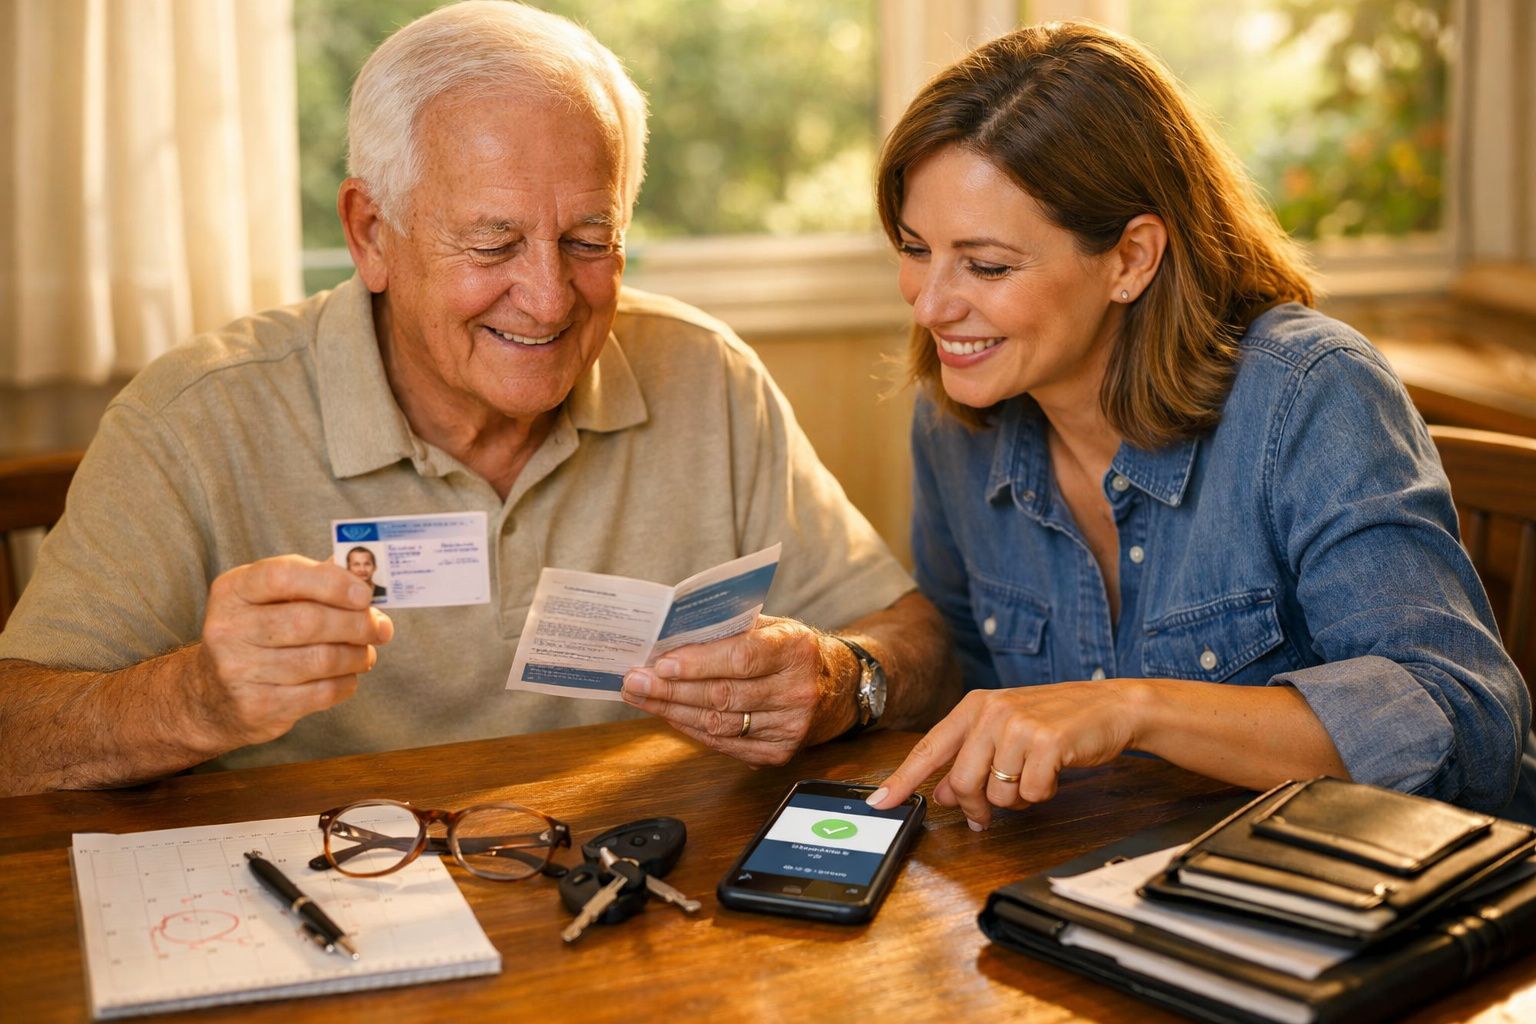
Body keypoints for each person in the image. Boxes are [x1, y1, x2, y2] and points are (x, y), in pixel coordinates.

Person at [0, 0, 956, 795]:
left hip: (626, 881)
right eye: (493, 244)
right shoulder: (196, 416)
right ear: (370, 233)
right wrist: (197, 699)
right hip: (329, 895)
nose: (548, 298)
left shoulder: (706, 377)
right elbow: (14, 730)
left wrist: (841, 680)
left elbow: (917, 641)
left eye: (589, 240)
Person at [866, 22, 1534, 829]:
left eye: (987, 265)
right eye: (915, 249)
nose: (930, 305)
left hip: (1368, 880)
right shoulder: (956, 418)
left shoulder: (1309, 393)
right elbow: (965, 668)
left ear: (1131, 258)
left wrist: (1134, 709)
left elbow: (1462, 718)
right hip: (1107, 875)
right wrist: (846, 676)